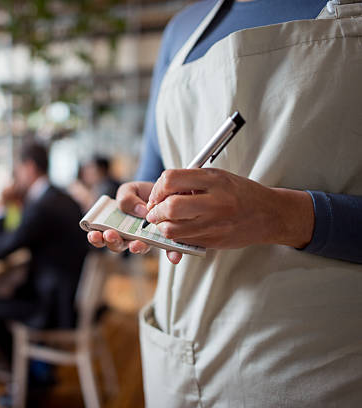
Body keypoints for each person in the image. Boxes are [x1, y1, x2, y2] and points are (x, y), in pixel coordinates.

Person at [88, 0, 362, 406]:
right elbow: (157, 171)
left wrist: (284, 216)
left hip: (315, 367)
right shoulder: (180, 31)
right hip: (179, 355)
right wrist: (141, 199)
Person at [0, 142, 89, 363]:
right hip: (71, 295)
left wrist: (2, 208)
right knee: (7, 291)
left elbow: (1, 250)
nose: (17, 177)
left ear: (29, 167)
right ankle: (32, 369)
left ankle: (24, 380)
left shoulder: (42, 206)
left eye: (18, 170)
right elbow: (23, 235)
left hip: (52, 306)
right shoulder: (62, 197)